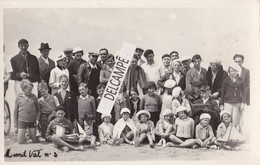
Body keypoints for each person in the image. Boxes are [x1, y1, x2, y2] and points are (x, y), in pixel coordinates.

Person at [219, 63, 245, 132]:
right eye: (231, 71)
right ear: (229, 71)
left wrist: (242, 103)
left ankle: (235, 134)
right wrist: (221, 104)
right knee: (228, 118)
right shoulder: (226, 81)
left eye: (235, 71)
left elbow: (244, 93)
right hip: (228, 102)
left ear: (237, 71)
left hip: (237, 102)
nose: (233, 73)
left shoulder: (241, 81)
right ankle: (227, 134)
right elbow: (223, 93)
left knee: (236, 119)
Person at [14, 79, 40, 144]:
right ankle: (25, 135)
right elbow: (15, 113)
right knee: (20, 142)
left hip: (32, 122)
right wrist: (15, 126)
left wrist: (37, 119)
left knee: (35, 140)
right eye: (29, 89)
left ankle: (30, 135)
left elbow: (38, 110)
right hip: (22, 122)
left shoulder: (33, 97)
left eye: (31, 89)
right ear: (23, 89)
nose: (31, 91)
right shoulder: (18, 98)